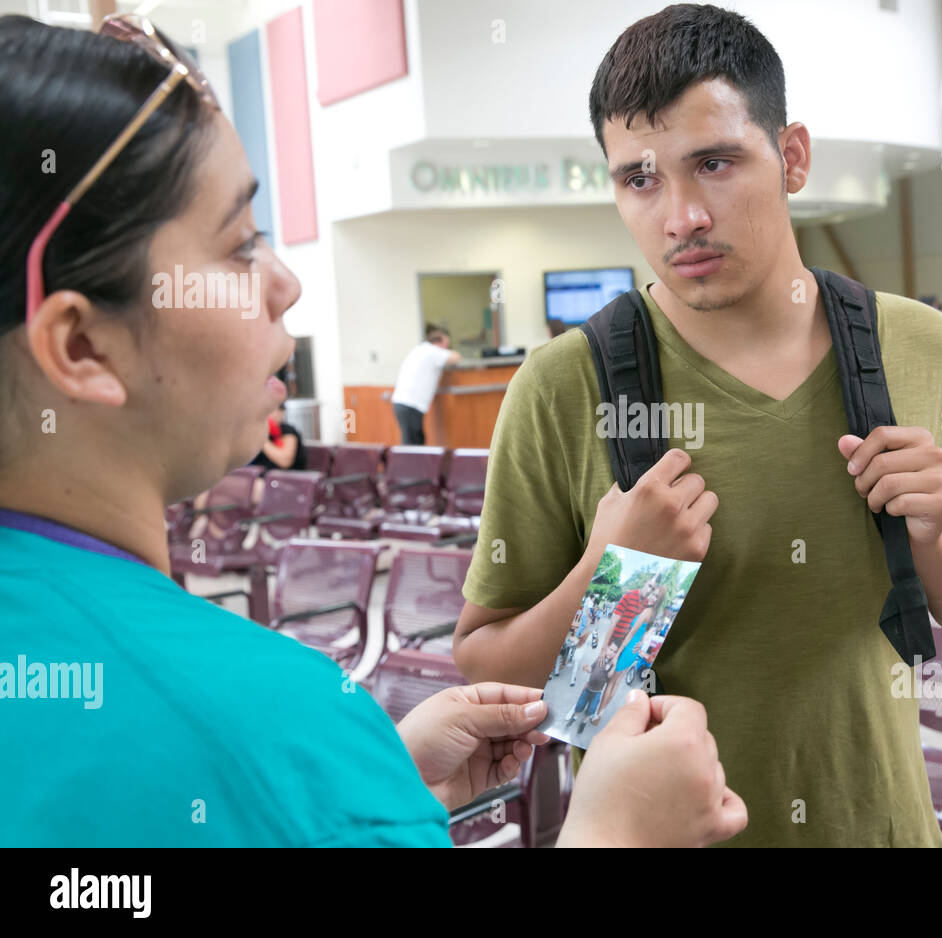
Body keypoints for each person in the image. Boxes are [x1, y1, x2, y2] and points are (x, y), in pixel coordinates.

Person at [0, 14, 745, 849]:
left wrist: (367, 787)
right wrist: (616, 834)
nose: (285, 284)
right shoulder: (271, 726)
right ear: (80, 344)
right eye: (240, 245)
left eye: (716, 164)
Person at [453, 3, 942, 848]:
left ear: (791, 157)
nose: (682, 215)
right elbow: (490, 676)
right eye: (640, 178)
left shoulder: (917, 347)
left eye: (715, 163)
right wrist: (613, 574)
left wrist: (932, 542)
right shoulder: (561, 388)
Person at [391, 324, 461, 445]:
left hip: (405, 404)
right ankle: (411, 465)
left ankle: (414, 464)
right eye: (446, 345)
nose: (446, 348)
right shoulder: (432, 351)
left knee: (415, 441)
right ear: (437, 342)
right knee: (414, 445)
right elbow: (456, 357)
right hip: (410, 405)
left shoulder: (421, 350)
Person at [250, 400, 306, 471]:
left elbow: (285, 461)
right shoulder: (264, 431)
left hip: (284, 478)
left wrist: (260, 438)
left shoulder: (287, 430)